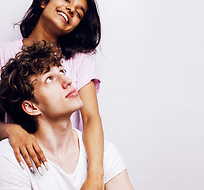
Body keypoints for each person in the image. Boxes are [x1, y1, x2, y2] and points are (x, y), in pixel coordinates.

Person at [0, 0, 104, 189]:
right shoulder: (3, 54)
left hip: (72, 167)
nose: (70, 10)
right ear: (44, 2)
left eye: (78, 13)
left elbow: (91, 117)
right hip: (22, 165)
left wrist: (95, 175)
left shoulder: (79, 59)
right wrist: (13, 131)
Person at [0, 41, 134, 190]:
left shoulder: (105, 153)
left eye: (62, 71)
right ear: (31, 107)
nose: (68, 81)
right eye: (49, 79)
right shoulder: (10, 157)